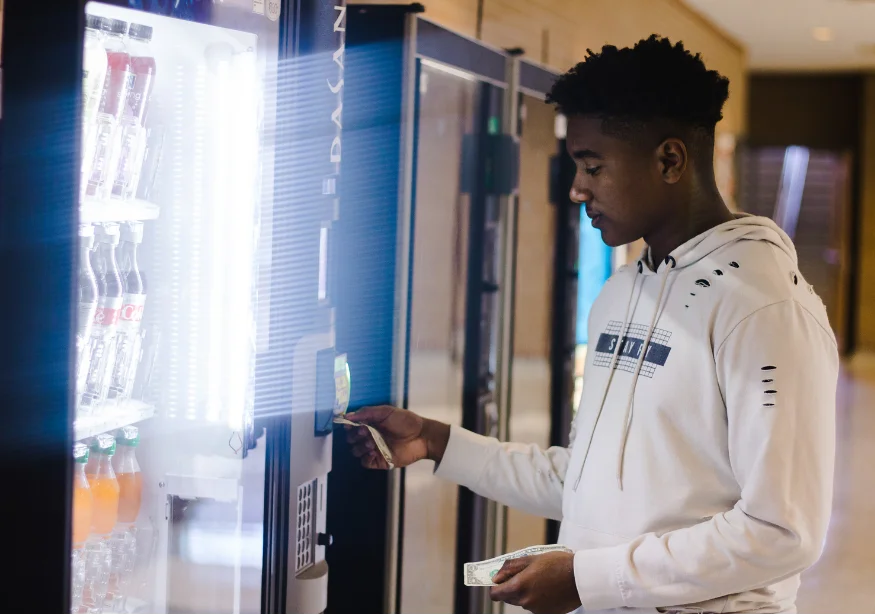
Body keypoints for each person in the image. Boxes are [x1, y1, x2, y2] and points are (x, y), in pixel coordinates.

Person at [344, 35, 838, 614]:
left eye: (593, 166)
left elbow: (782, 532)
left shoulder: (765, 310)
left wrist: (589, 578)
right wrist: (437, 441)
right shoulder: (625, 289)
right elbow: (589, 481)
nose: (578, 188)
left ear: (670, 160)